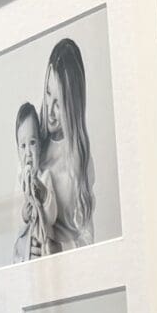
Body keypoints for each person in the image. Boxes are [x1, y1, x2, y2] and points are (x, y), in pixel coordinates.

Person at [35, 40, 99, 252]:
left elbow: (88, 239)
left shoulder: (80, 160)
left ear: (72, 104)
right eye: (47, 93)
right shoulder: (34, 144)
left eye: (59, 102)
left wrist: (60, 248)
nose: (50, 112)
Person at [12, 101, 52, 262]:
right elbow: (15, 222)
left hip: (43, 248)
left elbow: (52, 216)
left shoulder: (45, 177)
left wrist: (44, 196)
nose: (28, 152)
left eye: (32, 143)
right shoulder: (19, 183)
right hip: (25, 253)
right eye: (23, 145)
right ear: (17, 150)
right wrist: (23, 216)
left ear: (40, 146)